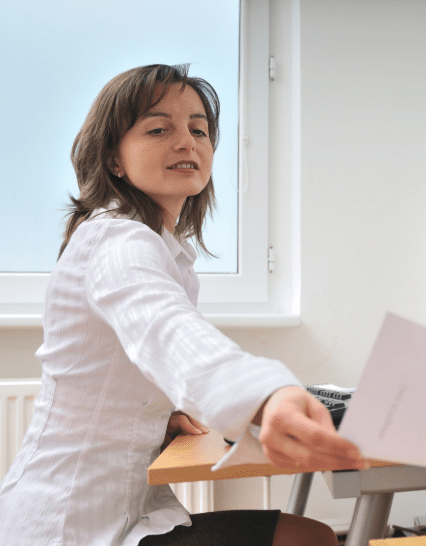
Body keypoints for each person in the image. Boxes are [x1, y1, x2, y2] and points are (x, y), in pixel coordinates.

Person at [0, 64, 367, 546]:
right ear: (113, 159)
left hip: (120, 515)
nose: (186, 142)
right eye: (158, 128)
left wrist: (156, 416)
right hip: (67, 528)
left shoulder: (155, 246)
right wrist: (265, 395)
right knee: (310, 539)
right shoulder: (118, 239)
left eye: (199, 129)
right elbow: (162, 326)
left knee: (310, 536)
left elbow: (138, 351)